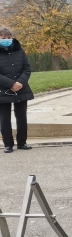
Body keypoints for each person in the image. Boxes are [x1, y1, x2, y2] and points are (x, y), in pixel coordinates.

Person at [0, 26, 32, 154]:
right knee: (4, 119)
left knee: (21, 117)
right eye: (3, 38)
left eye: (9, 37)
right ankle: (8, 144)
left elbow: (27, 68)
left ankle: (22, 142)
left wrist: (19, 83)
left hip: (21, 88)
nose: (6, 40)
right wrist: (11, 84)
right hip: (3, 90)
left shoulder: (19, 51)